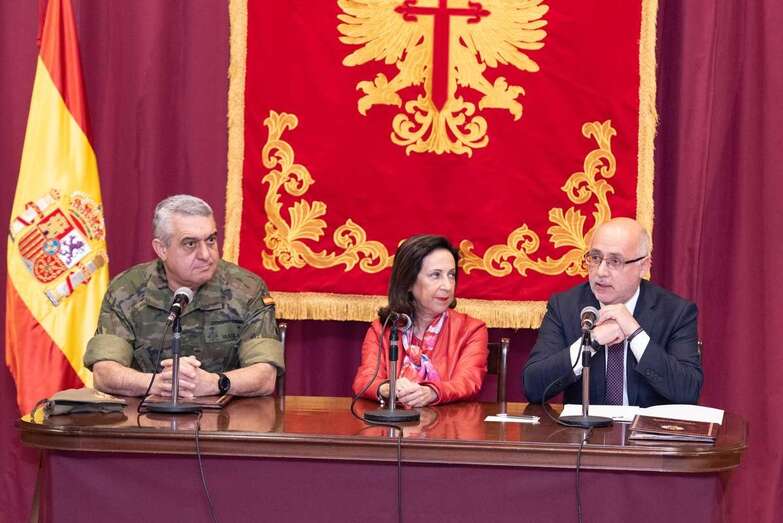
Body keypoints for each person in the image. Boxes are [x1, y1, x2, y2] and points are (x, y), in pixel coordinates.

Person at [84, 195, 283, 398]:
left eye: (211, 240)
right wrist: (159, 384)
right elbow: (104, 373)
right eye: (190, 244)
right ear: (162, 249)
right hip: (146, 414)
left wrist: (214, 383)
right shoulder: (126, 289)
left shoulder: (247, 289)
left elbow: (265, 376)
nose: (205, 255)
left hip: (228, 414)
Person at [523, 217, 703, 407]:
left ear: (643, 266)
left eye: (615, 261)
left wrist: (635, 333)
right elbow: (533, 387)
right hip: (585, 426)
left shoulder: (675, 313)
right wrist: (591, 341)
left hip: (645, 426)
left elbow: (688, 391)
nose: (601, 272)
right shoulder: (564, 306)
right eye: (595, 258)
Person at [352, 235, 488, 407]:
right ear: (408, 282)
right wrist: (388, 388)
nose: (447, 286)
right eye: (435, 275)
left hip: (448, 422)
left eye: (451, 275)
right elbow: (365, 380)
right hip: (394, 422)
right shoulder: (383, 328)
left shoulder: (471, 329)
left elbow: (468, 382)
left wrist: (431, 392)